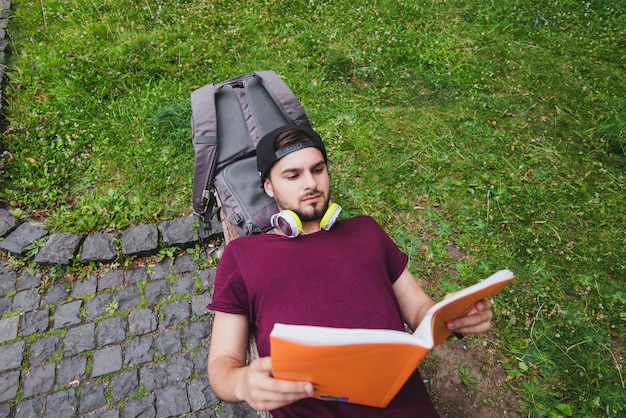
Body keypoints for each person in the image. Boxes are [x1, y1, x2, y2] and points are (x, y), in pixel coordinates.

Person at [207, 124, 494, 417]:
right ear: (269, 186)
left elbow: (419, 310)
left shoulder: (366, 231)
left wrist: (450, 315)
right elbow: (222, 364)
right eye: (293, 175)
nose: (310, 184)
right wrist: (241, 382)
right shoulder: (243, 255)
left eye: (317, 170)